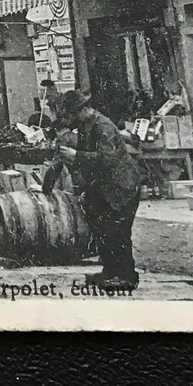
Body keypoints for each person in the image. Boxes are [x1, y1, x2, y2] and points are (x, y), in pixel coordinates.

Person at [55, 88, 142, 292]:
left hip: (121, 186)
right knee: (103, 230)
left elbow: (107, 159)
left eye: (73, 114)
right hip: (103, 187)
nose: (72, 119)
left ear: (83, 109)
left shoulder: (103, 126)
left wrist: (77, 155)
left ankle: (126, 276)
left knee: (118, 232)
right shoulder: (87, 126)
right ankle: (110, 272)